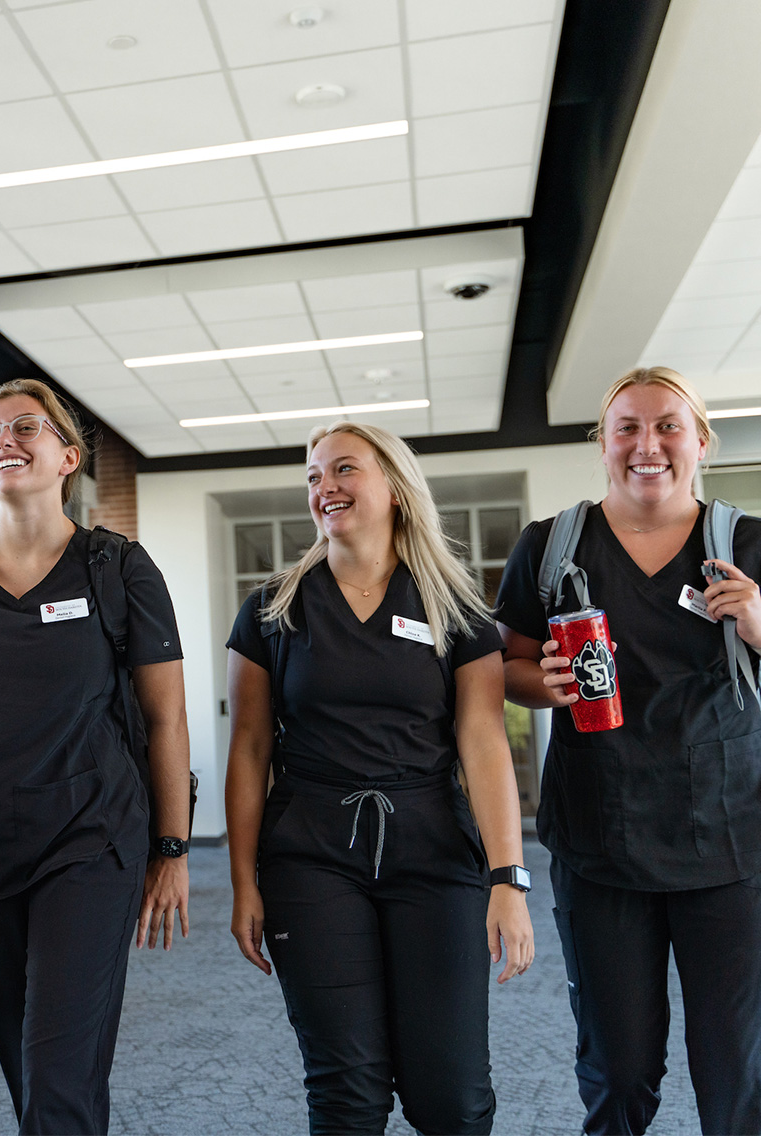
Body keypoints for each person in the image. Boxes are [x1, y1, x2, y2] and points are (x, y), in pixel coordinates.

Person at [0, 378, 190, 1136]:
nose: (3, 441)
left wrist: (172, 848)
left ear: (67, 457)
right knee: (35, 1067)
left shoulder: (117, 568)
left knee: (56, 1071)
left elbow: (166, 716)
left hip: (92, 839)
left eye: (26, 427)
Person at [226, 419, 534, 1135]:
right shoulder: (273, 610)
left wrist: (507, 878)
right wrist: (243, 880)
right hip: (310, 856)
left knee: (451, 1099)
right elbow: (248, 749)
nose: (323, 488)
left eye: (342, 470)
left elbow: (484, 741)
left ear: (393, 486)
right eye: (312, 477)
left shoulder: (454, 608)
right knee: (347, 1095)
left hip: (432, 849)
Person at [495, 365, 761, 1136]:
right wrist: (540, 685)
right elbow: (506, 667)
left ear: (701, 441)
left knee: (735, 1068)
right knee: (617, 1070)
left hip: (730, 845)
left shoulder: (746, 543)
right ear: (603, 445)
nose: (649, 444)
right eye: (628, 428)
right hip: (600, 842)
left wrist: (756, 622)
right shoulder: (550, 547)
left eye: (668, 425)